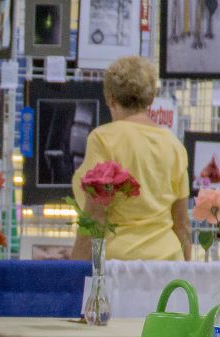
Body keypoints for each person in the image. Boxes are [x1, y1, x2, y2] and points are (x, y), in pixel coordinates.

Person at [70, 57, 190, 262]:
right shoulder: (174, 145)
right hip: (168, 264)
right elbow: (182, 225)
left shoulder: (103, 140)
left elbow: (95, 214)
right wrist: (188, 272)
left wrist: (73, 274)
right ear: (151, 98)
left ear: (110, 98)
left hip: (119, 265)